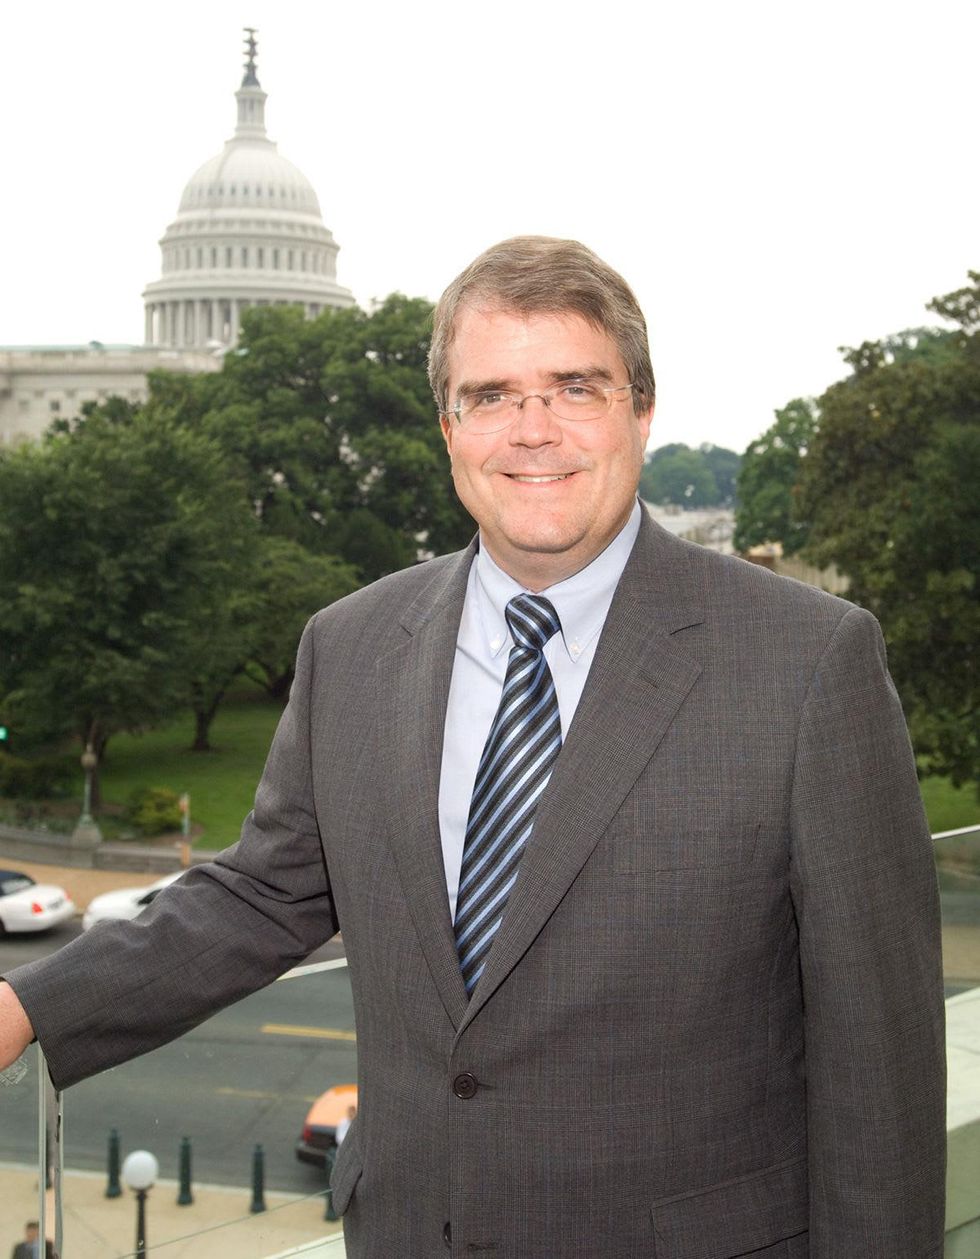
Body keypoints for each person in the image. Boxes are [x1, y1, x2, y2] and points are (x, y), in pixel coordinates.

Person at [0, 237, 946, 1256]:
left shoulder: (807, 662)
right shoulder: (351, 644)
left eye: (573, 386)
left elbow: (878, 1061)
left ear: (640, 408)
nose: (531, 431)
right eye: (490, 394)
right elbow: (262, 894)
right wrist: (25, 1001)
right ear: (447, 425)